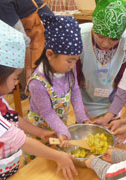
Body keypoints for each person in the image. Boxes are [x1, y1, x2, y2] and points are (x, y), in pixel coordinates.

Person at [0, 13, 77, 180]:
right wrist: (58, 156)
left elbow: (14, 117)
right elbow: (19, 139)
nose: (16, 84)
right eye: (15, 78)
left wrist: (39, 132)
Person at [28, 14, 90, 147]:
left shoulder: (68, 70)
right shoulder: (37, 82)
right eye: (69, 60)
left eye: (76, 60)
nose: (73, 65)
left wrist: (82, 118)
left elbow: (75, 92)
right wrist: (62, 130)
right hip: (41, 132)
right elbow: (47, 112)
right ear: (50, 54)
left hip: (60, 128)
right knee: (41, 164)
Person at [0, 0, 54, 82]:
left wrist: (28, 71)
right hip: (46, 34)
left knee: (37, 83)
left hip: (41, 39)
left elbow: (23, 41)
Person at [77, 0, 126, 118]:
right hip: (82, 99)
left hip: (112, 101)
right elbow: (73, 77)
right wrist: (78, 106)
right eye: (100, 36)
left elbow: (122, 80)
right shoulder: (80, 35)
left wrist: (113, 111)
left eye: (113, 39)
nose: (105, 44)